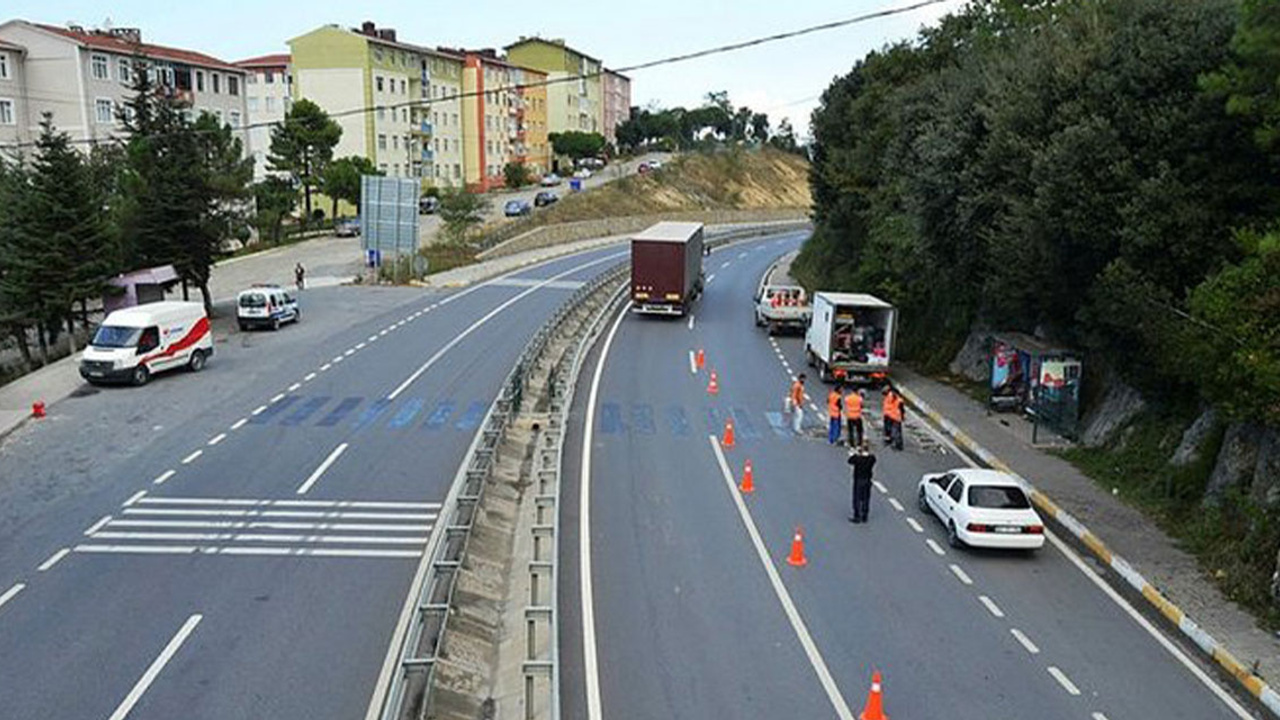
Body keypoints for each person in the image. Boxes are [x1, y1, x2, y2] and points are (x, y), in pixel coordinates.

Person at [847, 443, 877, 523]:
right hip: (867, 480)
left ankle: (857, 515)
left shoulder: (857, 459)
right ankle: (865, 515)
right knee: (866, 498)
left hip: (859, 479)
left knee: (857, 498)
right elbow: (874, 459)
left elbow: (850, 461)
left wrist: (855, 454)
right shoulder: (871, 459)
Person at [882, 386, 905, 451]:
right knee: (897, 431)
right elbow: (902, 409)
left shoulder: (888, 396)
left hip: (888, 415)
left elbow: (883, 393)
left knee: (887, 429)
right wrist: (903, 417)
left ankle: (888, 440)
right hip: (896, 417)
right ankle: (899, 445)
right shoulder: (900, 400)